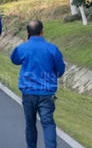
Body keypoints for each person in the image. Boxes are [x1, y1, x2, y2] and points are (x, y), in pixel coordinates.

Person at [11, 19, 66, 148]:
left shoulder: (23, 48)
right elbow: (61, 69)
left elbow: (14, 59)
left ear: (28, 33)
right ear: (42, 31)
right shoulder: (52, 49)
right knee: (48, 124)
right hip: (47, 92)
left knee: (30, 124)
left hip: (28, 92)